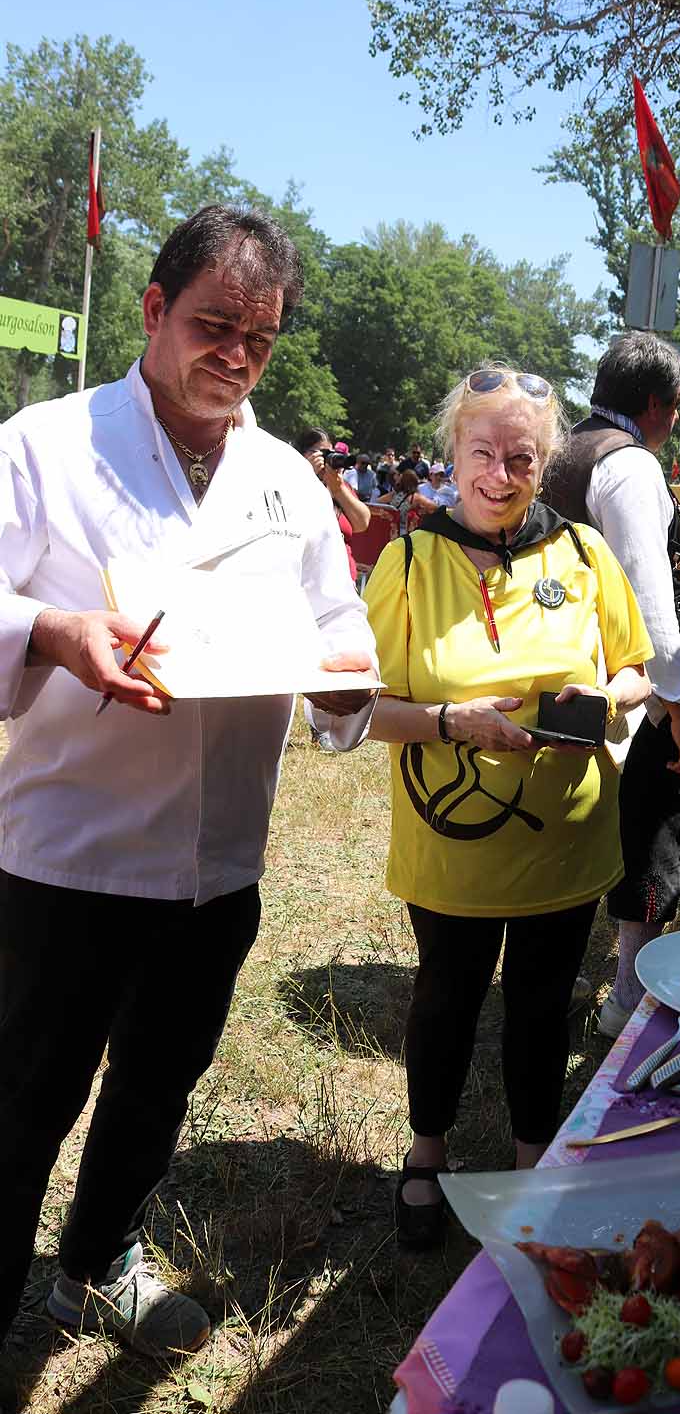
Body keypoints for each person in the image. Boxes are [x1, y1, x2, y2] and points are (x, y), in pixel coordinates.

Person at [0, 204, 379, 1362]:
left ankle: (97, 1258)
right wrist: (56, 630)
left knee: (160, 1081)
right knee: (23, 1100)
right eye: (214, 325)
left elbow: (337, 624)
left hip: (218, 866)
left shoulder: (285, 479)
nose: (236, 356)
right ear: (155, 311)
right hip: (71, 854)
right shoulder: (46, 444)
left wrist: (350, 680)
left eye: (260, 339)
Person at [363, 363, 652, 1248]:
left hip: (565, 843)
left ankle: (534, 1166)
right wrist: (452, 720)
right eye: (482, 453)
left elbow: (635, 665)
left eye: (521, 459)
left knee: (542, 1002)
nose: (499, 475)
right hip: (451, 843)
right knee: (445, 997)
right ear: (451, 451)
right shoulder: (407, 563)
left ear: (546, 462)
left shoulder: (583, 554)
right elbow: (355, 711)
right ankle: (426, 1157)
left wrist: (609, 700)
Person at [543, 331, 680, 1036]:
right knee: (646, 837)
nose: (675, 419)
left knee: (575, 832)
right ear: (655, 404)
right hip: (622, 688)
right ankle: (625, 1000)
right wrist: (679, 711)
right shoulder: (632, 467)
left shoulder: (567, 449)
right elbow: (650, 600)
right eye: (676, 407)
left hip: (565, 672)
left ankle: (558, 970)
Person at [293, 427, 372, 585]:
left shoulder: (339, 486)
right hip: (306, 581)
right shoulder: (291, 483)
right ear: (303, 455)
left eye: (330, 453)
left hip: (342, 581)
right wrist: (306, 475)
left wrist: (338, 489)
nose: (328, 459)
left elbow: (362, 523)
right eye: (322, 454)